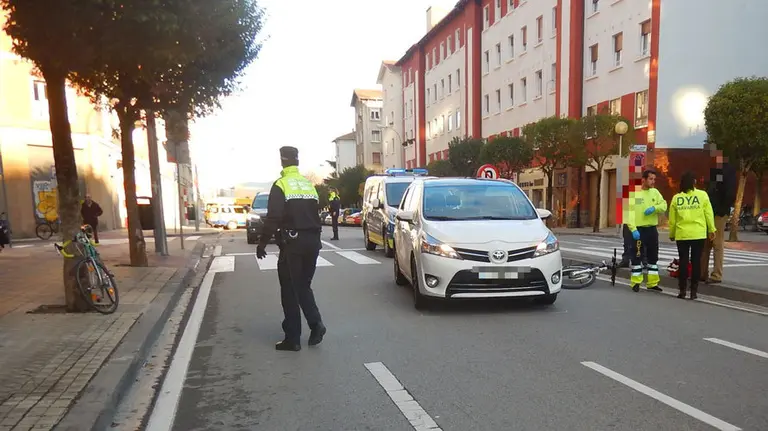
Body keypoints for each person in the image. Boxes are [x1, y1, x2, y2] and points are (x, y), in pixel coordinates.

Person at [256, 146, 326, 352]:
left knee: (289, 288)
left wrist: (262, 243)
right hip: (313, 242)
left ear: (282, 161)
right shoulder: (308, 185)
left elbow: (273, 217)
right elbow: (316, 212)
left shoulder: (281, 185)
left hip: (293, 244)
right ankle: (316, 325)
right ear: (297, 161)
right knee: (303, 285)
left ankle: (293, 338)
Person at [669, 171, 716, 300]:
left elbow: (672, 220)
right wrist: (712, 230)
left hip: (682, 233)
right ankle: (694, 291)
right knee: (696, 262)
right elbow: (708, 214)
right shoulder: (702, 195)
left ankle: (682, 290)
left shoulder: (676, 198)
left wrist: (672, 233)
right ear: (694, 182)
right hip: (698, 233)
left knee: (683, 261)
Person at [626, 169, 667, 292]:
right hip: (638, 230)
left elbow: (664, 205)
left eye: (654, 179)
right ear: (643, 179)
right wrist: (633, 229)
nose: (653, 182)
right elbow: (629, 214)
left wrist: (654, 208)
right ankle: (636, 283)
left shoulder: (655, 192)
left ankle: (652, 283)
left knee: (653, 257)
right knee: (637, 257)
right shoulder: (634, 193)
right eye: (651, 179)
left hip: (651, 229)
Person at [701, 148, 736, 284]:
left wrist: (722, 210)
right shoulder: (715, 170)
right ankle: (702, 273)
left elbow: (728, 192)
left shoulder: (728, 170)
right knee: (706, 243)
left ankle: (716, 274)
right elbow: (711, 190)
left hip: (718, 212)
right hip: (710, 210)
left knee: (716, 242)